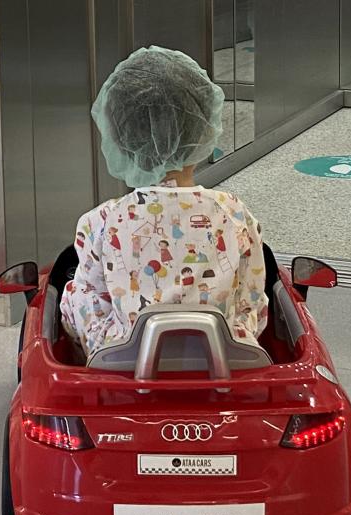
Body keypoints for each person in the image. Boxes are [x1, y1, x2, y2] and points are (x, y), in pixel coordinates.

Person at [61, 46, 269, 356]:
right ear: (203, 131)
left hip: (123, 366)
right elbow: (252, 303)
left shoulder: (100, 222)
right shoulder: (234, 213)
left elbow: (90, 308)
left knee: (75, 295)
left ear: (119, 139)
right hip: (223, 363)